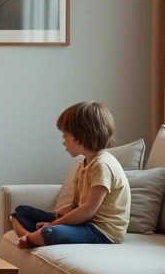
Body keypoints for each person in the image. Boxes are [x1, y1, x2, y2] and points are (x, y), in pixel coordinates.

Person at [9, 101, 129, 249]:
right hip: (83, 222)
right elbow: (75, 206)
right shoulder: (84, 164)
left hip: (101, 231)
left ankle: (33, 238)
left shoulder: (102, 165)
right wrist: (55, 214)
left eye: (65, 135)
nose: (63, 141)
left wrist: (53, 224)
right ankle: (32, 238)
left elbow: (88, 210)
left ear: (81, 136)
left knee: (51, 232)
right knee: (20, 212)